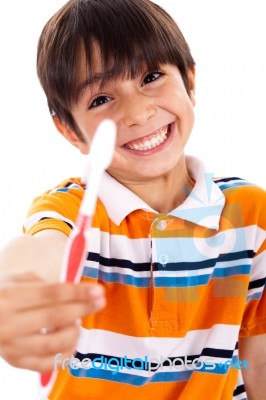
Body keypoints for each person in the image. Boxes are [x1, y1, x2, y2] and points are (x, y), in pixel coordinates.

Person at [0, 0, 265, 399]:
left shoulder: (251, 214)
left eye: (151, 76)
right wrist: (15, 293)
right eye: (100, 100)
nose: (138, 113)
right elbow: (42, 249)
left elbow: (258, 361)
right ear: (71, 131)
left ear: (190, 82)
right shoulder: (70, 207)